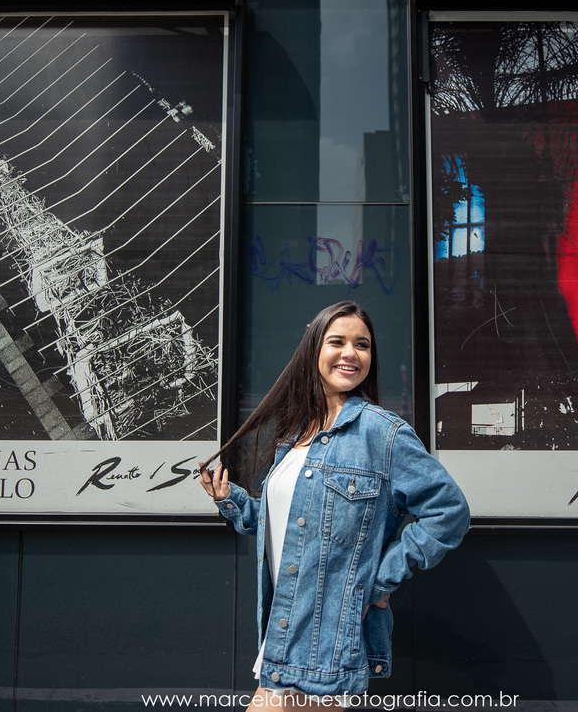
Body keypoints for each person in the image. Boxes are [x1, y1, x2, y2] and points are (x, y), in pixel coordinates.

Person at [198, 301, 470, 704]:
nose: (350, 353)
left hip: (327, 640)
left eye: (362, 345)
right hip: (283, 628)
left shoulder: (383, 433)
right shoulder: (296, 434)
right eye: (337, 341)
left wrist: (379, 582)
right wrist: (232, 500)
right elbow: (294, 527)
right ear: (314, 351)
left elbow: (449, 512)